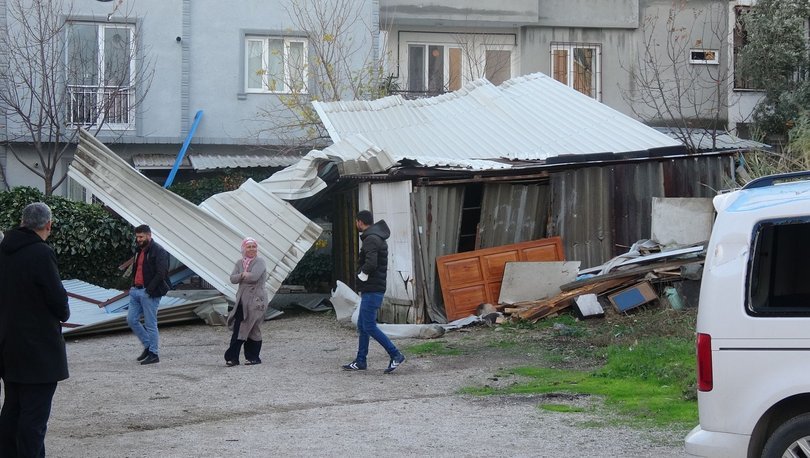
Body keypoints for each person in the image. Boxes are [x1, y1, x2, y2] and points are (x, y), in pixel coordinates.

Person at [0, 202, 70, 457]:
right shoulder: (41, 253)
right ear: (48, 225)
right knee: (33, 419)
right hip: (38, 349)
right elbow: (58, 300)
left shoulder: (3, 251)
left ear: (22, 222)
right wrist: (64, 311)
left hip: (9, 345)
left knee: (12, 410)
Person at [342, 210, 406, 374]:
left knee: (369, 326)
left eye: (356, 222)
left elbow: (371, 263)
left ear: (360, 222)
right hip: (373, 288)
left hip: (372, 288)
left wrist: (361, 276)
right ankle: (361, 361)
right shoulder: (376, 237)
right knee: (363, 326)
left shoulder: (371, 239)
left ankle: (395, 354)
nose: (356, 225)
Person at [127, 224, 169, 366]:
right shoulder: (139, 250)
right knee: (132, 320)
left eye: (141, 237)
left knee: (150, 323)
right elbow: (136, 269)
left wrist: (148, 290)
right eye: (137, 237)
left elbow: (161, 273)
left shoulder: (159, 251)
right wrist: (132, 286)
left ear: (149, 236)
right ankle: (148, 346)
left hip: (148, 292)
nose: (138, 239)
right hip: (136, 290)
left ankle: (154, 353)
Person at [224, 237, 268, 366]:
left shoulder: (260, 261)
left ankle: (250, 357)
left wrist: (242, 275)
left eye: (254, 246)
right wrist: (244, 275)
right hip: (242, 301)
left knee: (252, 328)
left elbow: (254, 277)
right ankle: (235, 358)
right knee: (240, 326)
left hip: (256, 300)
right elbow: (232, 278)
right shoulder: (239, 262)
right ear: (243, 248)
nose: (252, 249)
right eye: (249, 247)